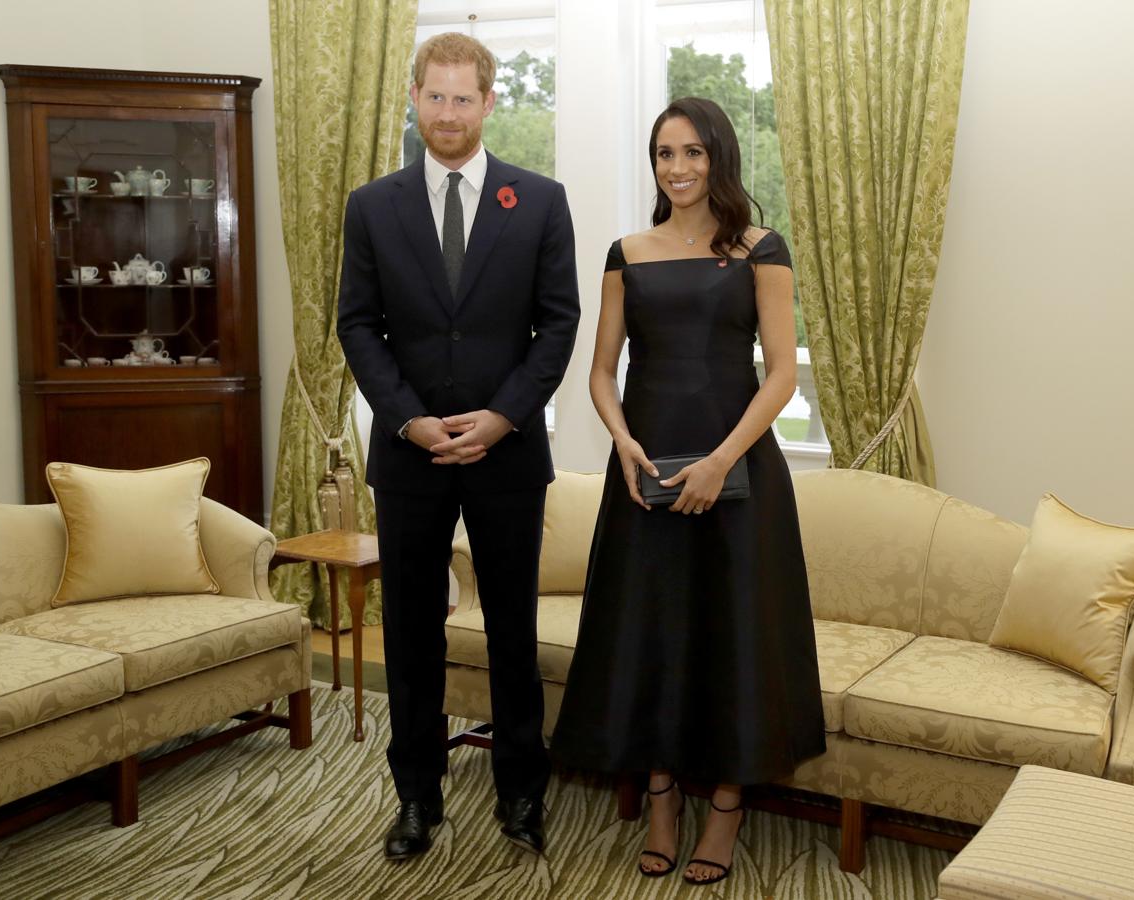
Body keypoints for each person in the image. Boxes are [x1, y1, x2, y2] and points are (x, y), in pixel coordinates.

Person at [549, 97, 825, 886]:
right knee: (654, 634)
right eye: (665, 153)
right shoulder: (626, 252)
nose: (678, 168)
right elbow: (602, 371)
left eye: (694, 153)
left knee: (731, 635)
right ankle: (663, 799)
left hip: (739, 474)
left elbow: (778, 375)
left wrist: (717, 461)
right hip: (645, 475)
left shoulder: (760, 249)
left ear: (719, 159)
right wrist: (626, 445)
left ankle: (727, 809)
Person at [337, 32, 579, 861]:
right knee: (411, 633)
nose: (448, 113)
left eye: (463, 98)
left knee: (512, 628)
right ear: (413, 97)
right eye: (434, 96)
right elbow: (358, 326)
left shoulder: (539, 200)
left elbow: (560, 326)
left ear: (488, 101)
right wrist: (406, 419)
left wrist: (503, 417)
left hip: (508, 455)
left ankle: (520, 793)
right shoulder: (372, 206)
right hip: (409, 456)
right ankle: (416, 798)